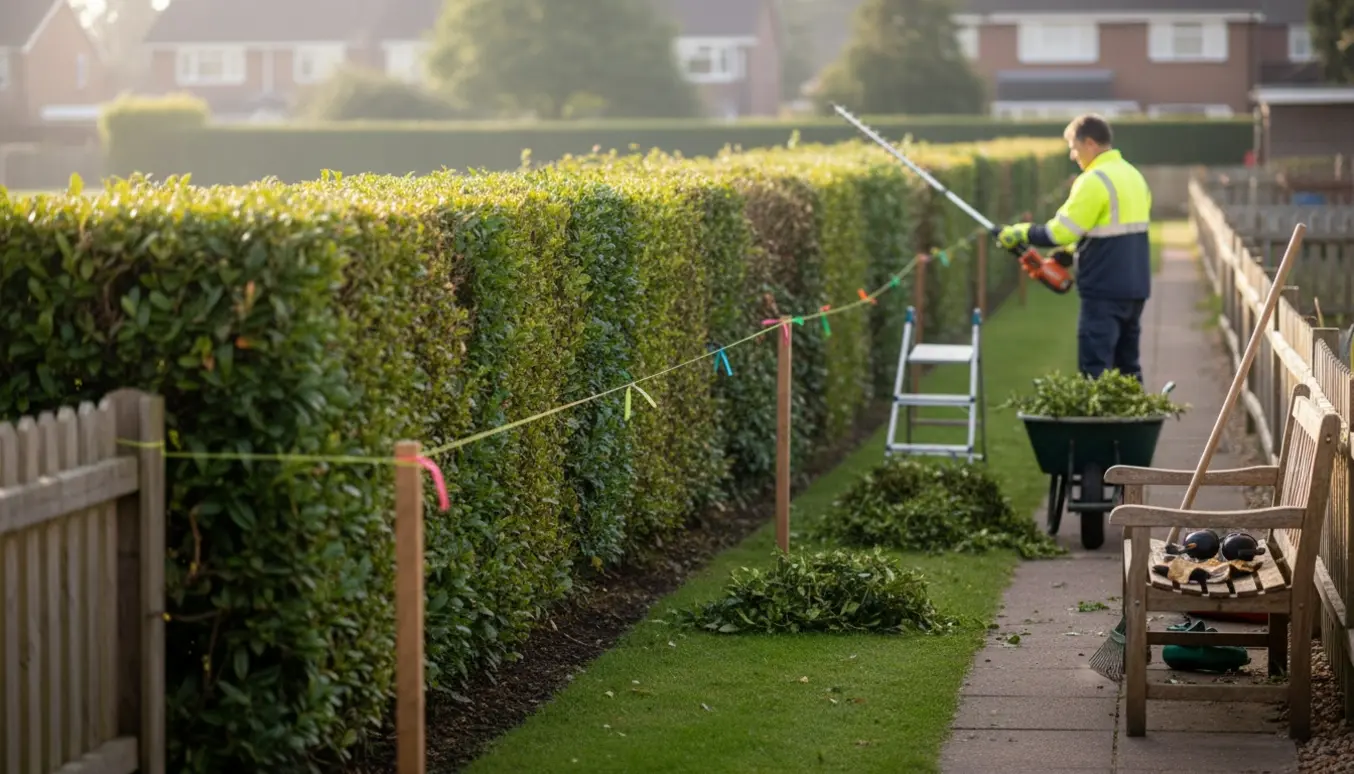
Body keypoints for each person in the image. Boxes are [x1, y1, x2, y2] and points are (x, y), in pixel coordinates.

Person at [995, 113, 1153, 383]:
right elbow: (1109, 227)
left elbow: (1061, 231)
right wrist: (1069, 255)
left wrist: (1019, 232)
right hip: (1135, 287)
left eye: (1073, 147)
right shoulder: (1133, 175)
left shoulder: (1094, 180)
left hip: (1104, 290)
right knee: (1128, 368)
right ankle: (1132, 423)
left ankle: (1098, 426)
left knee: (1096, 370)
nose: (1072, 155)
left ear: (1089, 142)